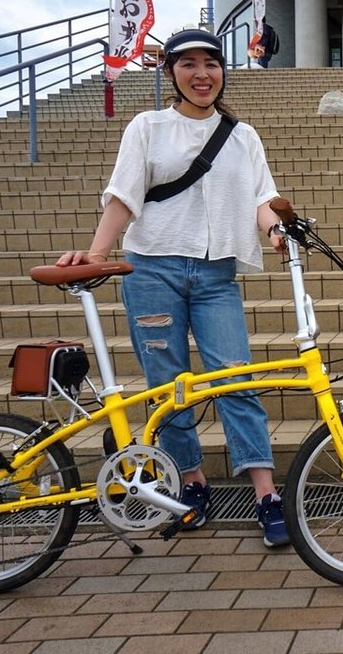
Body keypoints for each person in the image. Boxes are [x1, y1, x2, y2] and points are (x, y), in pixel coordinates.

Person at [57, 28, 291, 547]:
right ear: (171, 73)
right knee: (170, 384)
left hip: (215, 274)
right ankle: (191, 483)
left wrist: (276, 230)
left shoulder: (242, 136)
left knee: (235, 378)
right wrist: (97, 255)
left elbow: (262, 198)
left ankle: (266, 494)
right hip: (152, 272)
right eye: (189, 64)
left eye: (211, 64)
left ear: (223, 71)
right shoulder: (148, 127)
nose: (202, 74)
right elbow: (123, 195)